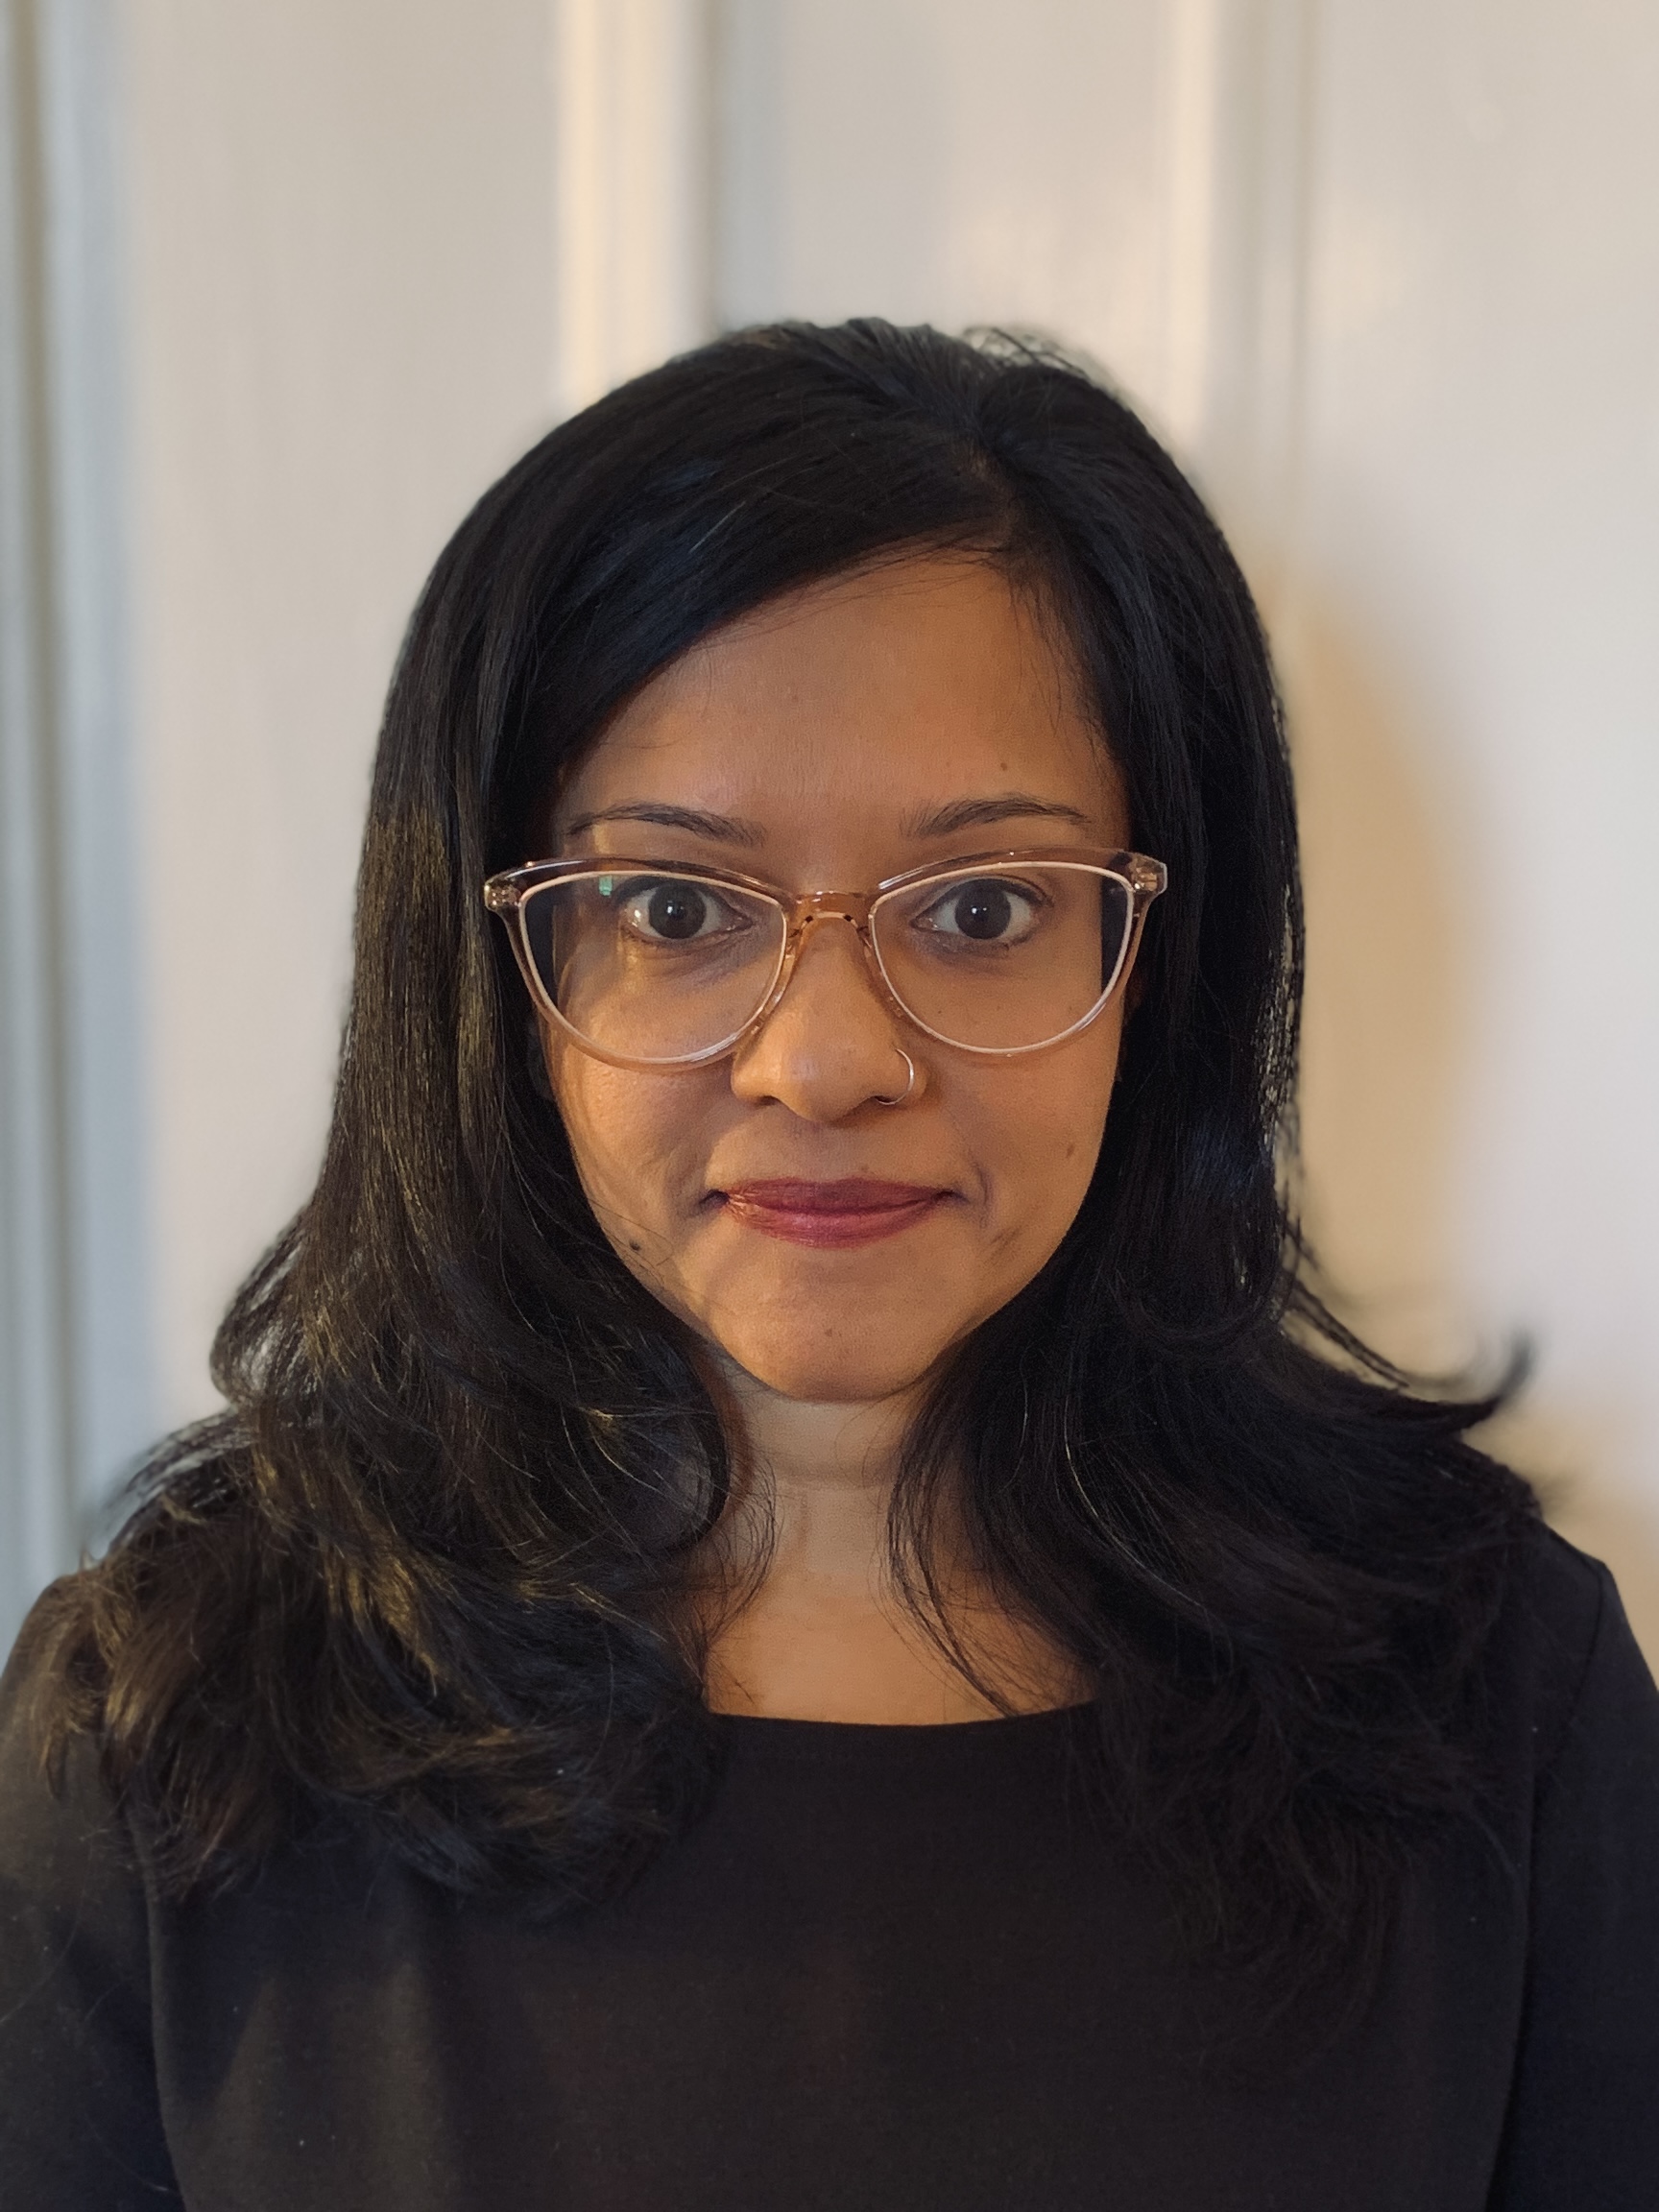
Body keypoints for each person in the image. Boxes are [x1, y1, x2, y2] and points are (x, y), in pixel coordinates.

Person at [1, 321, 1655, 2210]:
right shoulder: (172, 1731)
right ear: (490, 975)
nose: (828, 1061)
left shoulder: (1497, 1700)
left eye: (983, 907)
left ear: (1157, 965)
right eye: (672, 906)